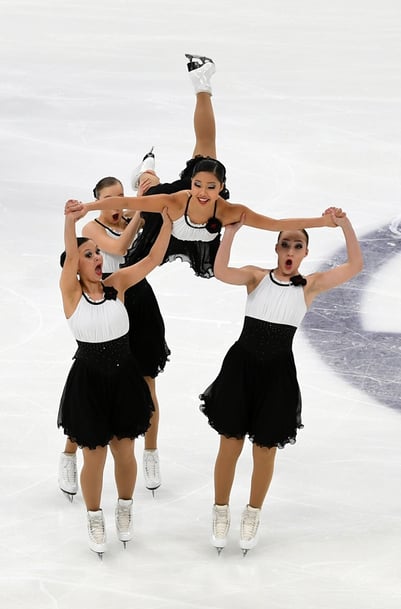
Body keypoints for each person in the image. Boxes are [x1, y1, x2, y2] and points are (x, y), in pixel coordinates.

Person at [199, 209, 363, 555]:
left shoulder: (310, 286)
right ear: (277, 249)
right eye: (285, 244)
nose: (290, 250)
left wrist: (344, 224)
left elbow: (355, 267)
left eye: (297, 245)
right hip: (240, 369)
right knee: (230, 444)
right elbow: (221, 271)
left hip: (277, 375)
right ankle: (220, 511)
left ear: (305, 253)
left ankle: (252, 514)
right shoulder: (256, 278)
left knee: (265, 450)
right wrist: (231, 232)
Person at [57, 203, 172, 557]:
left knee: (125, 452)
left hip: (124, 378)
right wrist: (70, 222)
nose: (95, 257)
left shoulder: (117, 284)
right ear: (75, 264)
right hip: (89, 382)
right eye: (87, 254)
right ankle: (94, 517)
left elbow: (151, 260)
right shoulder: (71, 294)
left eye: (96, 252)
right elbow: (71, 257)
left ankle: (124, 507)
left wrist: (166, 221)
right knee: (94, 457)